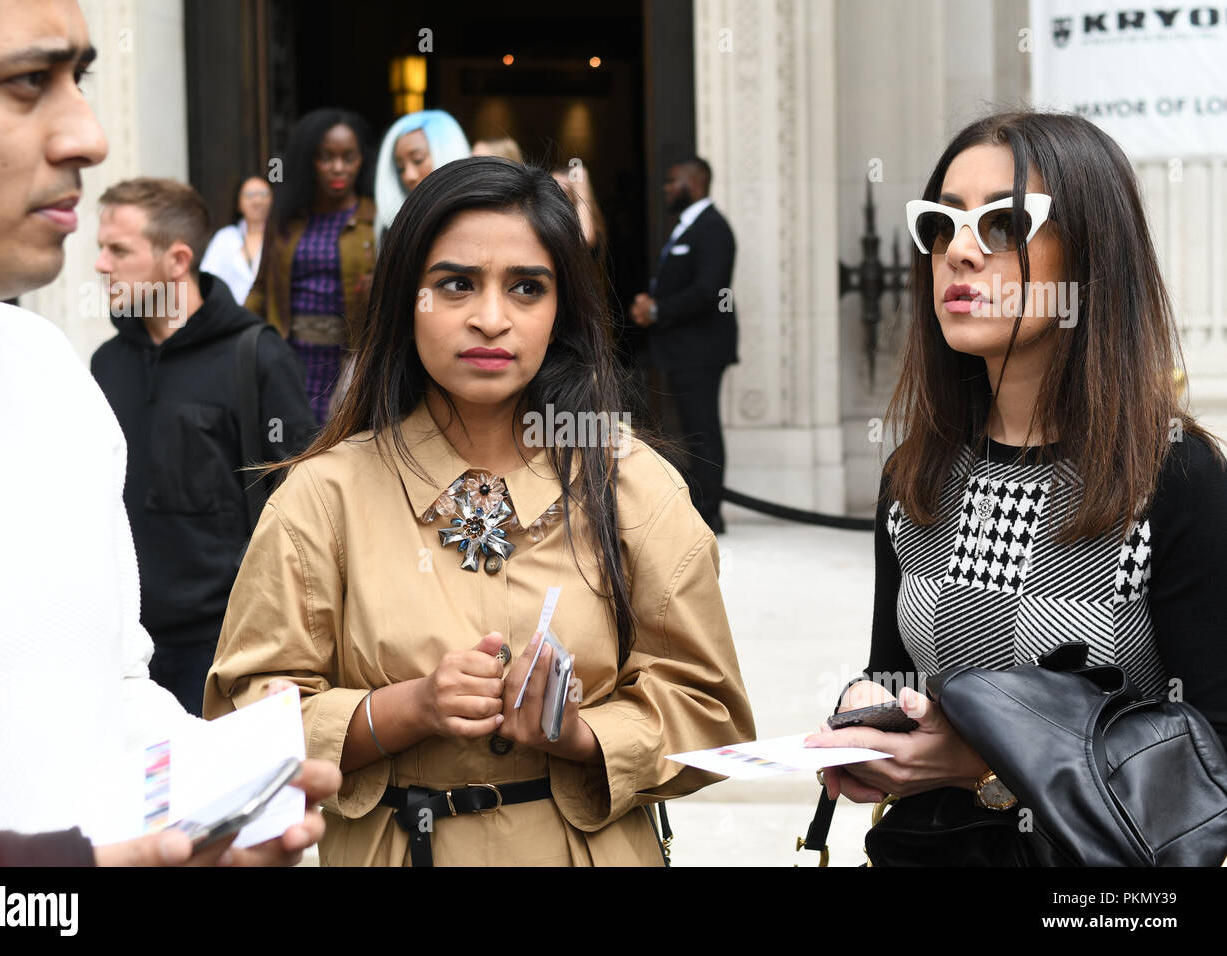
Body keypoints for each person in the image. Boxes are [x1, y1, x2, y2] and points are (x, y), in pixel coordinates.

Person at [204, 157, 755, 866]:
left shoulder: (634, 484)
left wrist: (580, 734)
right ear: (407, 295)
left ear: (561, 311)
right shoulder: (323, 495)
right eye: (456, 284)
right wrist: (401, 711)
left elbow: (711, 719)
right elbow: (241, 727)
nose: (491, 319)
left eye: (527, 288)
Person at [0, 0, 337, 865]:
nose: (90, 135)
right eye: (27, 80)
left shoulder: (51, 370)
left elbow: (115, 685)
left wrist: (207, 804)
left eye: (81, 79)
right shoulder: (107, 364)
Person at [806, 111, 1227, 830]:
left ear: (1092, 258)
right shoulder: (917, 475)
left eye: (1003, 227)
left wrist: (985, 765)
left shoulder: (1173, 477)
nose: (959, 254)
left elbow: (1213, 749)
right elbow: (895, 667)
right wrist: (867, 711)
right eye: (942, 225)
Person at [90, 177, 318, 717]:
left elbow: (309, 505)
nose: (101, 265)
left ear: (177, 260)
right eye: (101, 248)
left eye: (118, 250)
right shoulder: (105, 363)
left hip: (226, 647)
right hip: (118, 651)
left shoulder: (256, 357)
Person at [245, 108, 378, 423]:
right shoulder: (285, 218)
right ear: (308, 160)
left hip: (349, 360)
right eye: (325, 157)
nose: (338, 168)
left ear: (362, 160)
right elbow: (261, 289)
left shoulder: (376, 218)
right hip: (290, 357)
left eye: (349, 157)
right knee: (289, 449)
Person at [631, 155, 737, 534]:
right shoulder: (687, 226)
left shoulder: (712, 228)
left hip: (702, 349)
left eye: (672, 179)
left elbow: (710, 290)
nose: (665, 187)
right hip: (682, 348)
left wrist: (657, 310)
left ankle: (711, 513)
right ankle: (699, 505)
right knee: (692, 427)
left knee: (702, 428)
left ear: (694, 182)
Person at [373, 109, 471, 245]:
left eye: (418, 160)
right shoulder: (395, 229)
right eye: (400, 168)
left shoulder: (475, 217)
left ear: (448, 153)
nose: (409, 176)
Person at [199, 175, 271, 305]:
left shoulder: (282, 237)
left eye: (263, 194)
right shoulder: (225, 238)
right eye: (249, 195)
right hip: (231, 318)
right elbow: (208, 279)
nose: (257, 200)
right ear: (239, 203)